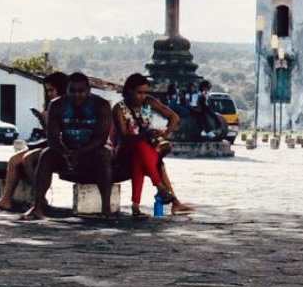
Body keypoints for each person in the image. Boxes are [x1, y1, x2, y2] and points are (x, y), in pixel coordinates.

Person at [21, 72, 114, 221]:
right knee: (46, 155)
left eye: (81, 91)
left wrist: (79, 153)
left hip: (93, 151)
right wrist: (65, 153)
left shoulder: (101, 105)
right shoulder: (57, 105)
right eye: (72, 91)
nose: (77, 95)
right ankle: (37, 207)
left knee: (103, 154)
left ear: (88, 91)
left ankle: (106, 209)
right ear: (67, 90)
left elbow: (101, 139)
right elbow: (52, 138)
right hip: (67, 151)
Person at [112, 73, 191, 219]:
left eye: (145, 92)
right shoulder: (119, 108)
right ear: (129, 91)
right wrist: (145, 135)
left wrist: (163, 135)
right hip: (124, 151)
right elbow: (124, 137)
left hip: (142, 151)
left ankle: (136, 207)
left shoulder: (149, 102)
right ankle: (162, 189)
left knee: (139, 159)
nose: (143, 96)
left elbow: (174, 117)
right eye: (139, 92)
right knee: (143, 149)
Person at [0, 72, 68, 212]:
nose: (49, 94)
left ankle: (41, 198)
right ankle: (6, 199)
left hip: (61, 146)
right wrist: (43, 121)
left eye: (52, 90)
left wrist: (48, 123)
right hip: (49, 143)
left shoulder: (68, 106)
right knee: (13, 160)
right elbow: (49, 134)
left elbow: (60, 136)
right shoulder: (50, 105)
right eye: (47, 91)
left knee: (28, 159)